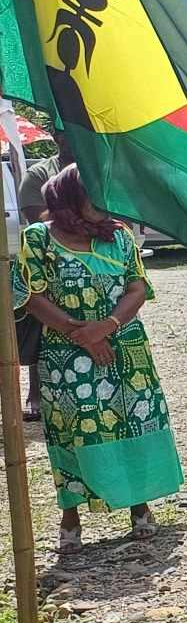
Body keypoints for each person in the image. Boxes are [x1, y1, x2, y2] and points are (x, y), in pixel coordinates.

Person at [15, 166, 180, 552]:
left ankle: (139, 506)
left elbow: (138, 287)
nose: (105, 206)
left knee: (133, 421)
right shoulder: (38, 238)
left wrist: (104, 326)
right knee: (75, 429)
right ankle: (70, 519)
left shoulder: (118, 237)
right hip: (66, 356)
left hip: (124, 347)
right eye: (96, 197)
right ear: (69, 197)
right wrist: (79, 332)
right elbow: (31, 295)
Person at [15, 134, 75, 422]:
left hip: (92, 252)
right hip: (50, 258)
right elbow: (38, 220)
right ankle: (36, 391)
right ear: (56, 135)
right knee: (42, 322)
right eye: (64, 129)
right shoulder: (39, 173)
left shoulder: (97, 167)